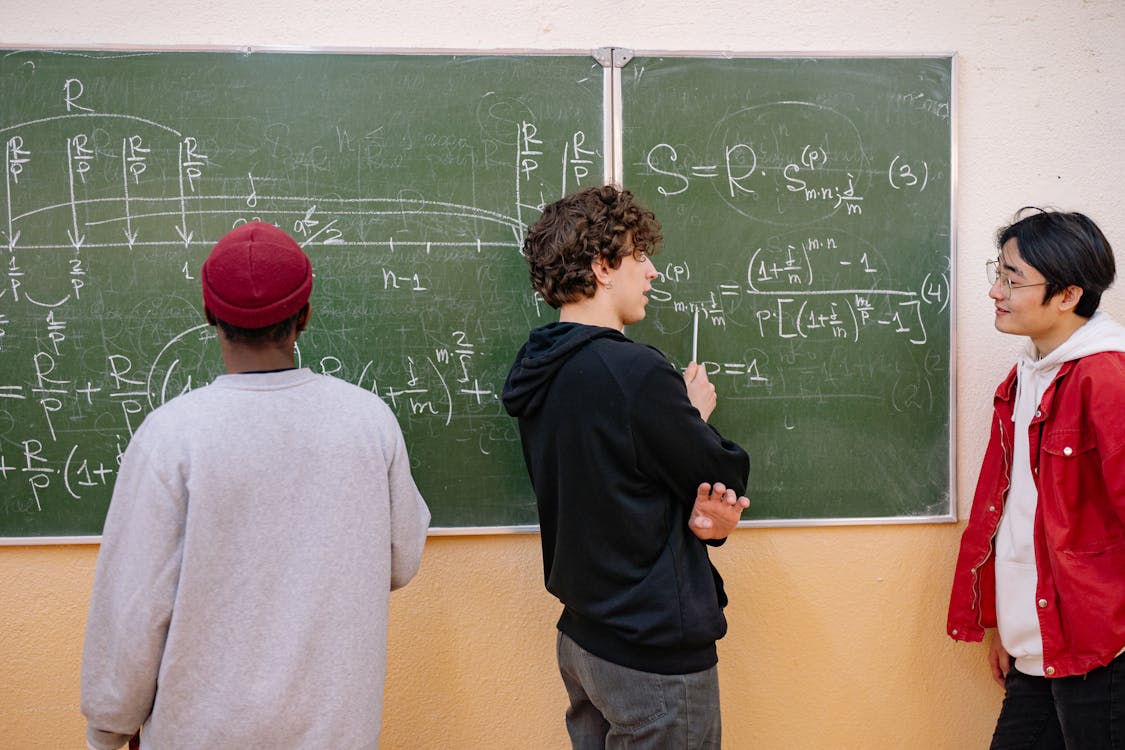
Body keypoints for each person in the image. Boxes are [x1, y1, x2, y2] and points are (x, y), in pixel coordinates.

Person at [81, 222, 431, 750]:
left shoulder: (173, 435)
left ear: (209, 317)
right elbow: (400, 561)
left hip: (200, 733)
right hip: (335, 731)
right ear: (305, 316)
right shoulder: (368, 421)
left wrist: (109, 728)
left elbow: (134, 605)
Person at [502, 185, 751, 749]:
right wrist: (693, 416)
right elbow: (724, 476)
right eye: (639, 256)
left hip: (585, 638)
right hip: (651, 654)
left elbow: (623, 481)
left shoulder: (540, 367)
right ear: (601, 266)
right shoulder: (634, 374)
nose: (653, 272)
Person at [947, 208, 1125, 748]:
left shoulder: (1106, 378)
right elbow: (1018, 515)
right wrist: (1012, 625)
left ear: (1068, 295)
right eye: (997, 273)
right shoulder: (1028, 374)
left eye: (1012, 279)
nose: (995, 292)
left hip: (1102, 650)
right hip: (1040, 646)